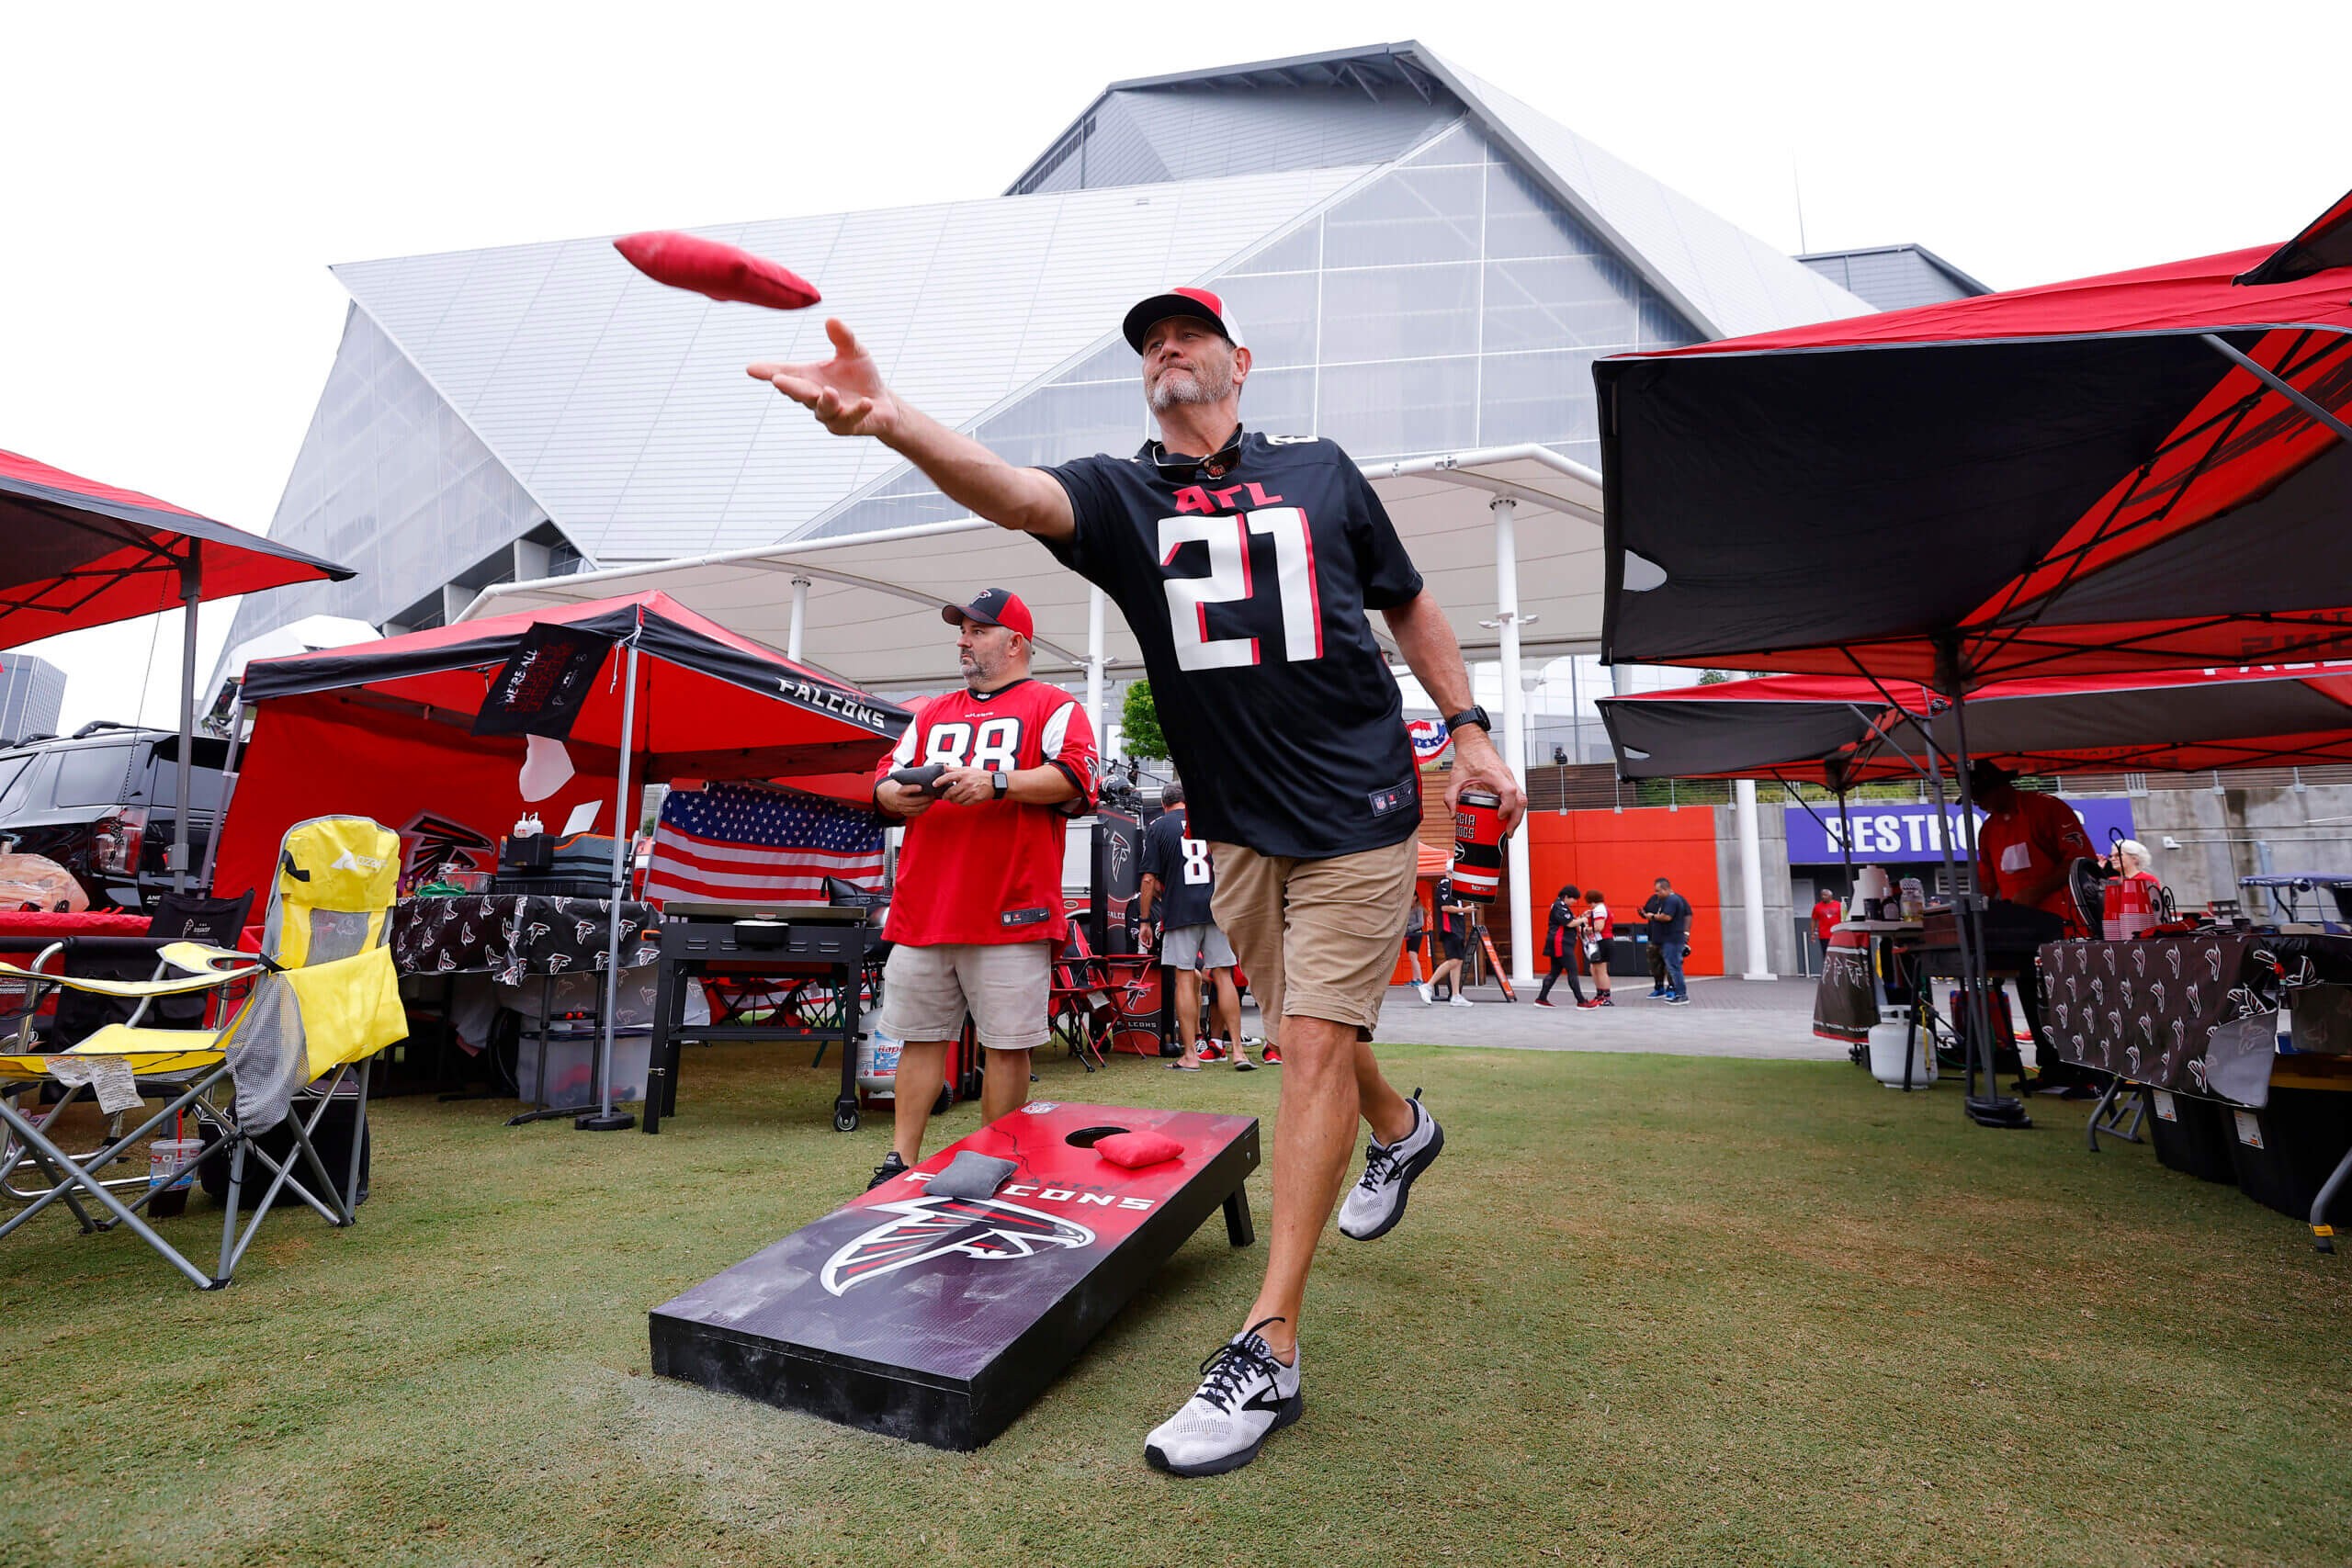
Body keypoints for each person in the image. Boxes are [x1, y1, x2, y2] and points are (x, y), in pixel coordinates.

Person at [752, 286, 1523, 1477]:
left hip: (1364, 804)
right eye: (1149, 338)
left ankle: (1268, 1341)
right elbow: (1015, 492)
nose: (1166, 344)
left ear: (1238, 360)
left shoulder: (1322, 471)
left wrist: (1467, 727)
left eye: (1189, 331)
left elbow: (1407, 597)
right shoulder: (1126, 495)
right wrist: (892, 418)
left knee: (1308, 1040)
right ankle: (1401, 1126)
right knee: (1314, 1025)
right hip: (1244, 828)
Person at [865, 589, 1099, 1190]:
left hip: (1010, 905)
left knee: (1007, 1044)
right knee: (919, 1037)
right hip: (925, 906)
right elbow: (884, 782)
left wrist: (997, 780)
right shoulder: (932, 711)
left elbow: (1077, 778)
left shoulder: (1054, 704)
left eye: (977, 629)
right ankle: (899, 1158)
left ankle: (996, 1160)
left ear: (1015, 641)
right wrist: (890, 793)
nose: (963, 639)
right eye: (962, 630)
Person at [1969, 760, 2097, 1094]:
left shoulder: (2046, 809)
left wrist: (2036, 890)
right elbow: (1986, 881)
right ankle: (2051, 1066)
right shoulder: (1988, 830)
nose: (1975, 802)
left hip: (2064, 923)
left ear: (1999, 787)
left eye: (1978, 794)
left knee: (2069, 998)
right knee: (2030, 994)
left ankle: (2086, 1072)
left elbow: (2081, 859)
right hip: (2019, 932)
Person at [1139, 781, 1250, 1072]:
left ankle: (1190, 1054)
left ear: (1165, 804)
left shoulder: (1159, 827)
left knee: (1184, 977)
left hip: (1180, 912)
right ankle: (1238, 1051)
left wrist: (1145, 920)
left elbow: (1149, 879)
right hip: (1216, 909)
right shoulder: (1211, 822)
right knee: (1224, 976)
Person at [1423, 867, 1475, 1009]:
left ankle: (1456, 995)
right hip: (1449, 928)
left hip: (1457, 928)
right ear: (1449, 872)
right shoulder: (1445, 884)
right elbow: (1445, 907)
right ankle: (1428, 985)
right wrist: (1465, 910)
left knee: (1458, 961)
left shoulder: (1455, 888)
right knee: (1453, 960)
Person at [1639, 877, 1694, 1005]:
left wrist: (1652, 916)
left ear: (1665, 889)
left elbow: (1667, 917)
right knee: (1669, 966)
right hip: (1666, 939)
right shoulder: (1667, 900)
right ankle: (1675, 993)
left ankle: (1681, 994)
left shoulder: (1672, 900)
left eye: (1658, 891)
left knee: (1674, 967)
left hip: (1673, 940)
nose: (1656, 894)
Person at [1534, 884, 1586, 1008]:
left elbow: (1571, 922)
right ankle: (1581, 1001)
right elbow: (1569, 923)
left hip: (1559, 942)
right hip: (1561, 943)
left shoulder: (1561, 906)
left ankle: (1541, 998)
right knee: (1572, 970)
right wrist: (1583, 920)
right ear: (1566, 896)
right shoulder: (1559, 906)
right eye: (1573, 899)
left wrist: (1582, 918)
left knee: (1554, 972)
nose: (1574, 902)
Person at [1575, 889, 1616, 1008]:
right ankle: (1600, 994)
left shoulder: (1599, 910)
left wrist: (1585, 929)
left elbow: (1599, 927)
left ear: (1591, 901)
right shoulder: (1599, 909)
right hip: (1602, 941)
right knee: (1594, 969)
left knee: (1601, 970)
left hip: (1603, 941)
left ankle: (1606, 997)